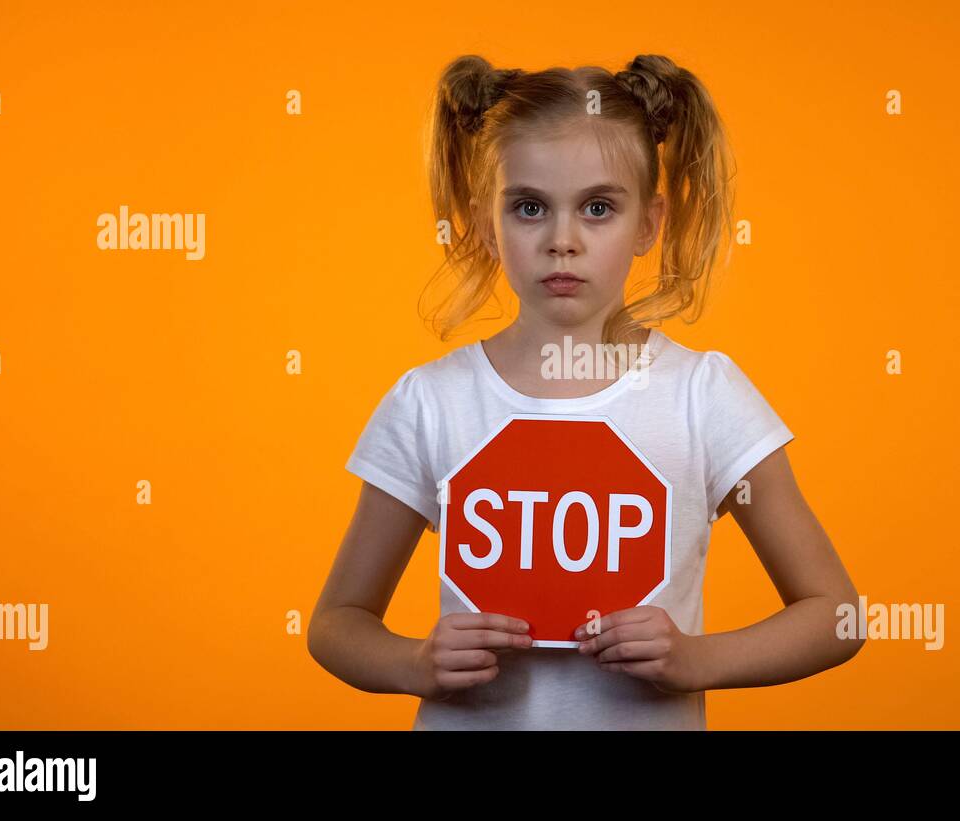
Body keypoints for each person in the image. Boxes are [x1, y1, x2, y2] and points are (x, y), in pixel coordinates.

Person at [307, 54, 863, 730]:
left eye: (598, 208)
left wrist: (697, 658)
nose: (562, 241)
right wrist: (413, 662)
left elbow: (837, 614)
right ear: (487, 222)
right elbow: (337, 622)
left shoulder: (703, 397)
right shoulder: (430, 402)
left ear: (650, 224)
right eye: (530, 207)